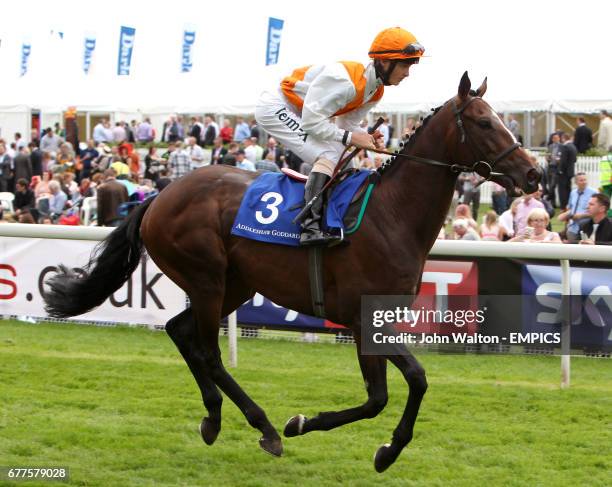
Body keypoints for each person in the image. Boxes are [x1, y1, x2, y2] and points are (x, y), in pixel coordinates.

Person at [255, 27, 425, 245]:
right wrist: (353, 138)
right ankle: (310, 226)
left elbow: (347, 124)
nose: (407, 73)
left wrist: (366, 136)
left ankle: (333, 217)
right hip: (277, 107)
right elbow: (311, 122)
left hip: (304, 113)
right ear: (384, 62)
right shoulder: (345, 81)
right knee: (327, 153)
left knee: (340, 152)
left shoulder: (376, 90)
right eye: (404, 65)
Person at [558, 172, 597, 241]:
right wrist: (565, 215)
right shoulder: (573, 193)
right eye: (581, 180)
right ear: (576, 182)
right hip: (572, 227)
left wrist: (581, 216)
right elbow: (570, 207)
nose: (584, 182)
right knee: (571, 249)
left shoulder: (594, 193)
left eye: (585, 180)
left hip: (587, 227)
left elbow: (596, 212)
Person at [557, 133, 577, 209]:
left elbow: (563, 161)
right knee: (568, 189)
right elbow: (575, 160)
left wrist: (560, 170)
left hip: (564, 172)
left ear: (563, 138)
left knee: (562, 190)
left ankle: (563, 206)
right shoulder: (573, 147)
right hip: (570, 171)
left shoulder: (565, 147)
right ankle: (569, 204)